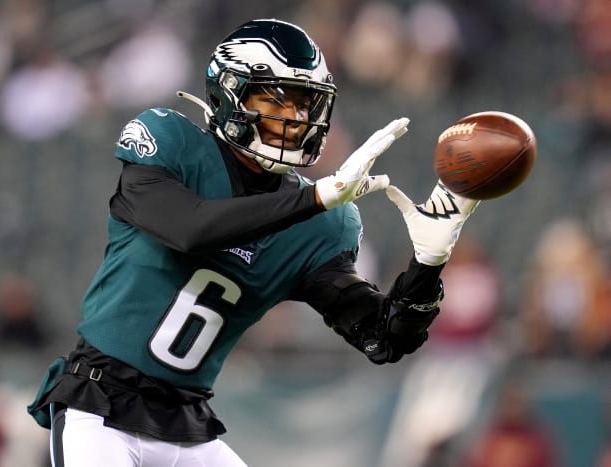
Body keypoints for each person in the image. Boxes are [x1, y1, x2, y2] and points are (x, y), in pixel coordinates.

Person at [27, 19, 479, 467]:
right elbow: (190, 229)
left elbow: (382, 338)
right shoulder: (171, 143)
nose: (294, 118)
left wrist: (428, 263)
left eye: (305, 104)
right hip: (100, 407)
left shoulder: (322, 224)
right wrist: (316, 196)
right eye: (275, 100)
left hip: (189, 428)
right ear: (228, 94)